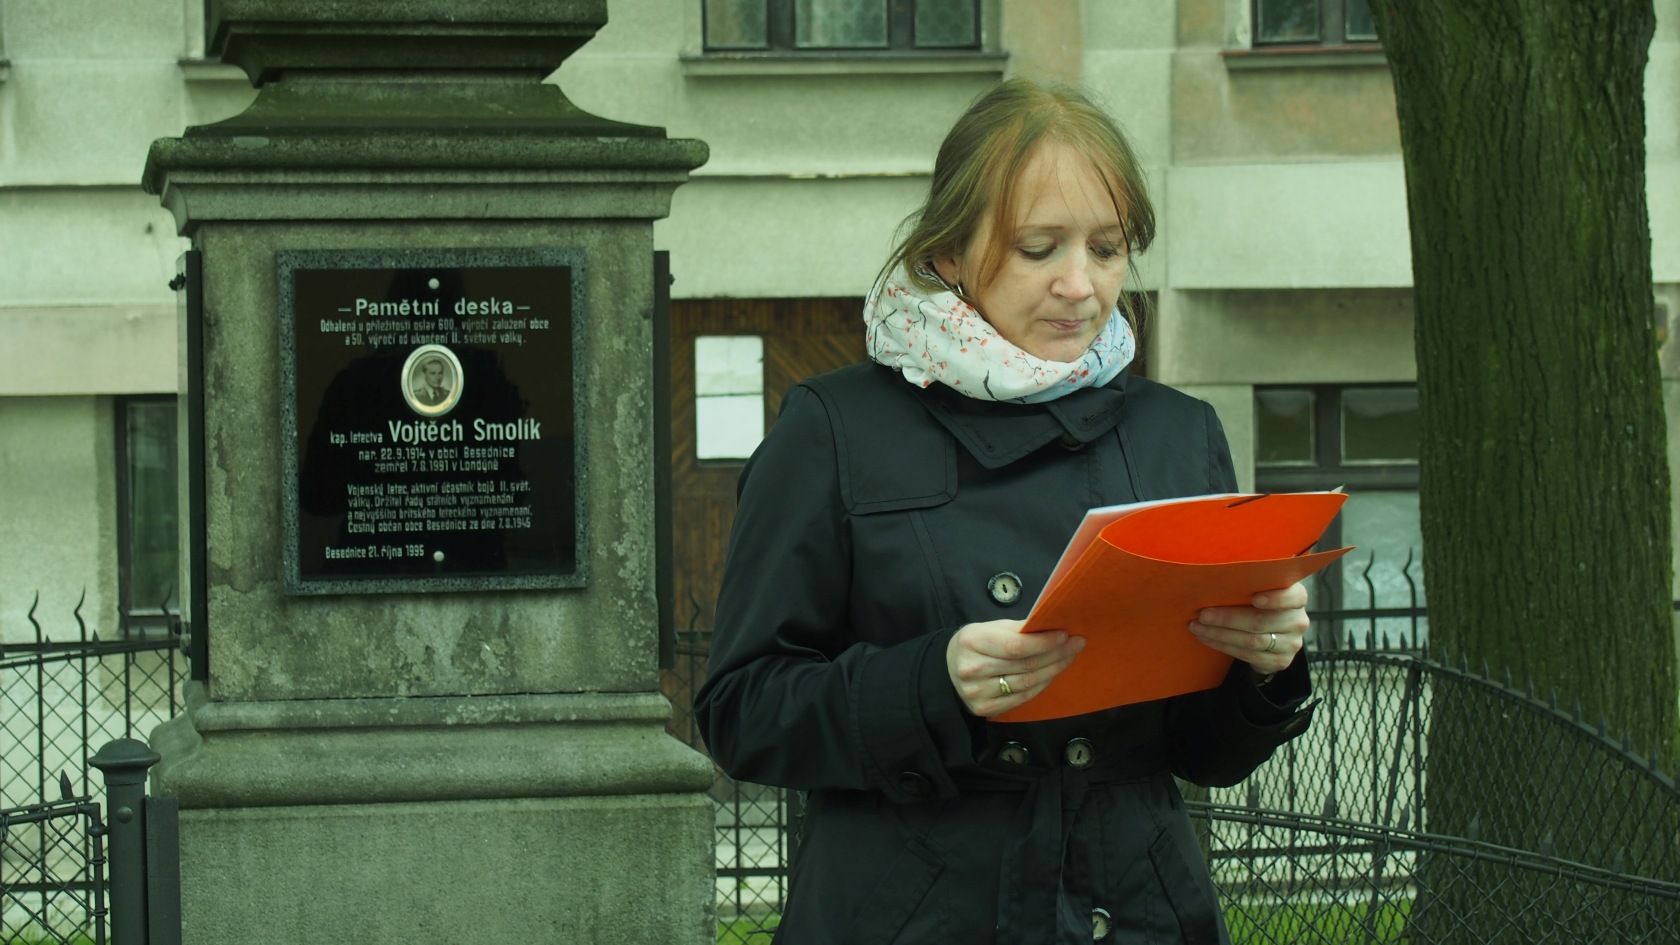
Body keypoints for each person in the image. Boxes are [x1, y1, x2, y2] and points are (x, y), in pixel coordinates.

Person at [694, 78, 1316, 945]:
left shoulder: (1178, 433)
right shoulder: (835, 428)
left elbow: (1205, 754)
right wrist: (932, 685)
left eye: (1107, 248)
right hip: (911, 914)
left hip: (1135, 909)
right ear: (950, 252)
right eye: (1038, 248)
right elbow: (742, 712)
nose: (1080, 284)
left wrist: (1265, 666)